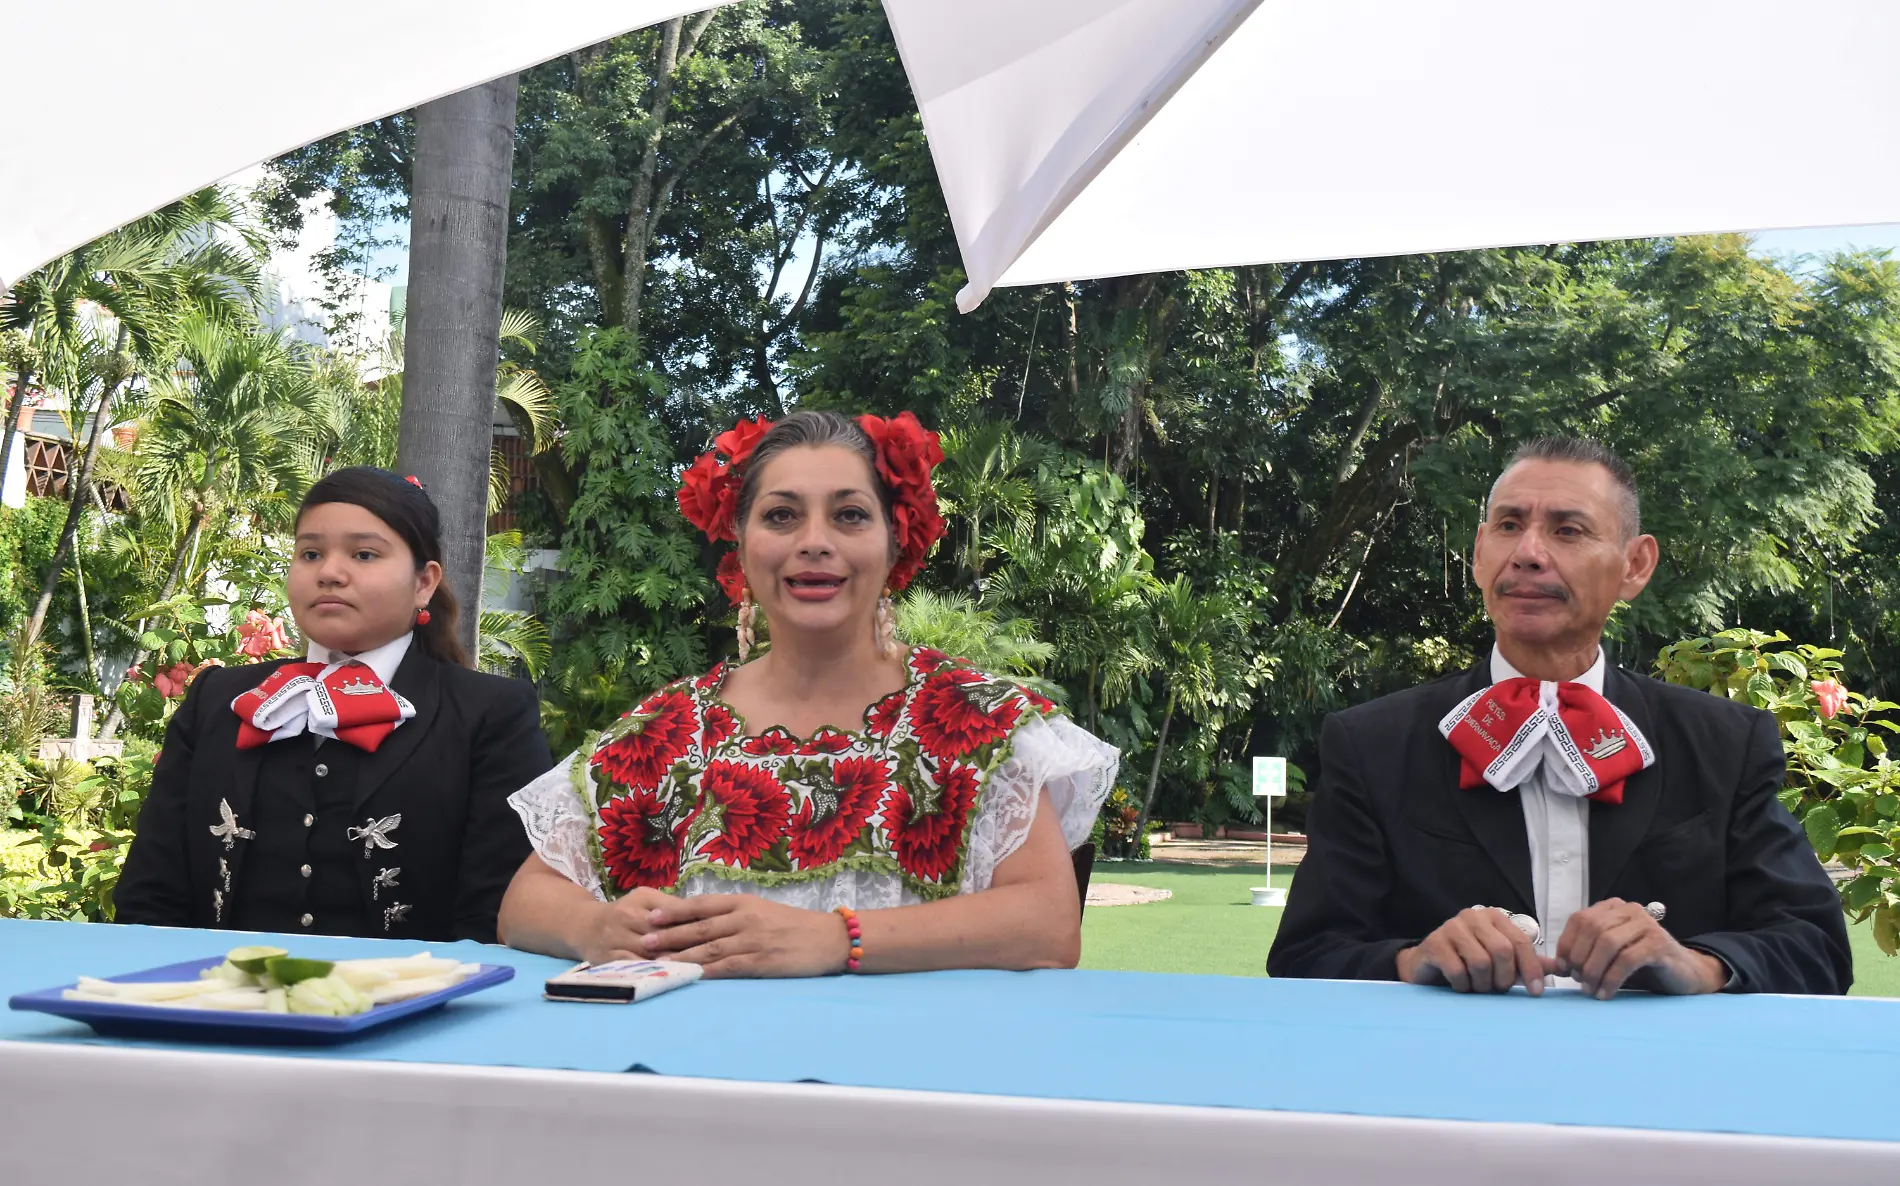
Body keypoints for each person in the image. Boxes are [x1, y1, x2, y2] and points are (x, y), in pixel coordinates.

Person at [500, 410, 1117, 977]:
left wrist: (835, 940)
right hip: (699, 1078)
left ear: (895, 539)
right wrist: (595, 927)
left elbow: (1048, 925)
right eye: (781, 515)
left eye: (849, 514)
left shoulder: (973, 720)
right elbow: (526, 901)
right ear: (740, 544)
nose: (814, 540)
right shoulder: (669, 730)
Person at [1267, 437, 1850, 997]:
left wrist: (1695, 963)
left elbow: (1817, 947)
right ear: (1478, 554)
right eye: (1509, 525)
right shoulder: (1373, 744)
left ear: (1635, 566)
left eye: (1568, 530)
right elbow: (1305, 955)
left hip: (1662, 1085)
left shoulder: (1724, 743)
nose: (1527, 553)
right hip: (1449, 1084)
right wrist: (1413, 959)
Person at [117, 467, 553, 942]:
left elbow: (498, 912)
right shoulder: (218, 699)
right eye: (310, 553)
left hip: (412, 1004)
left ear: (424, 583)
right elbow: (151, 895)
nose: (329, 572)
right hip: (221, 999)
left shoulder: (491, 713)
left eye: (364, 554)